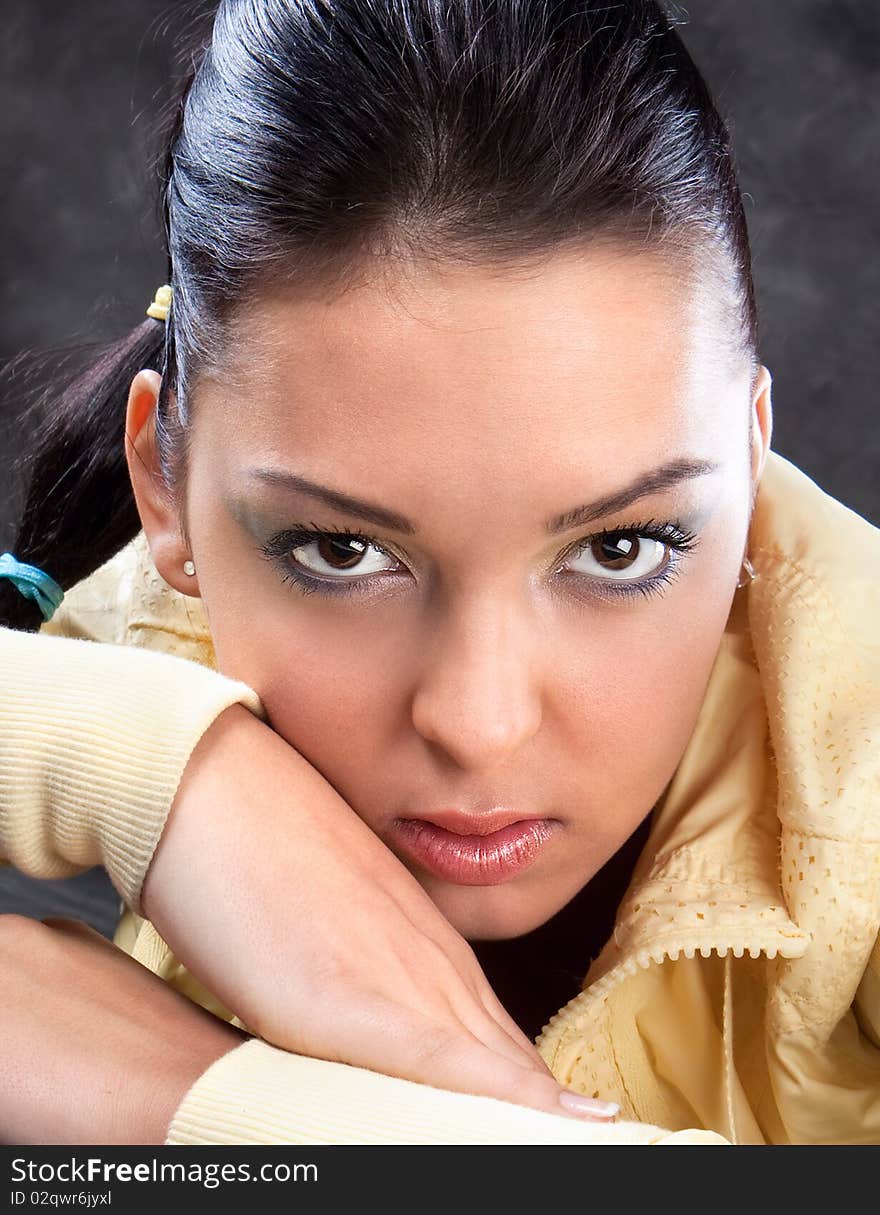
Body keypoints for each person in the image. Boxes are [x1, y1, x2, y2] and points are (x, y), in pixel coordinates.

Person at [1, 0, 878, 1146]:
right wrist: (143, 767)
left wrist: (199, 1102)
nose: (477, 724)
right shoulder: (123, 637)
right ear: (162, 483)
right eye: (341, 551)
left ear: (752, 458)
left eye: (620, 549)